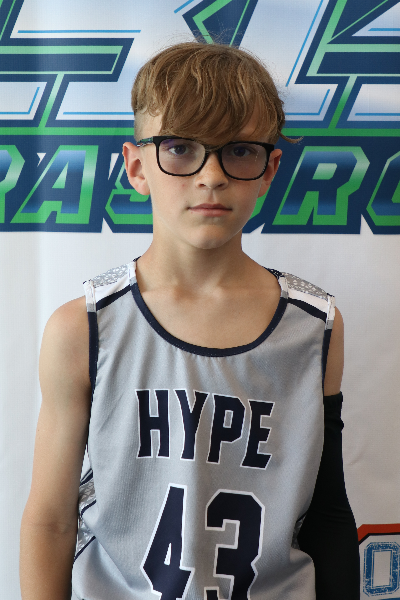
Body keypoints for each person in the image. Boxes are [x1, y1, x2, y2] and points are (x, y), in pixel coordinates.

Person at [20, 41, 360, 600]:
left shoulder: (315, 326)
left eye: (240, 151)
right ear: (137, 166)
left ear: (269, 169)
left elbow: (327, 515)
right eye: (180, 148)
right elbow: (51, 520)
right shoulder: (83, 328)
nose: (212, 176)